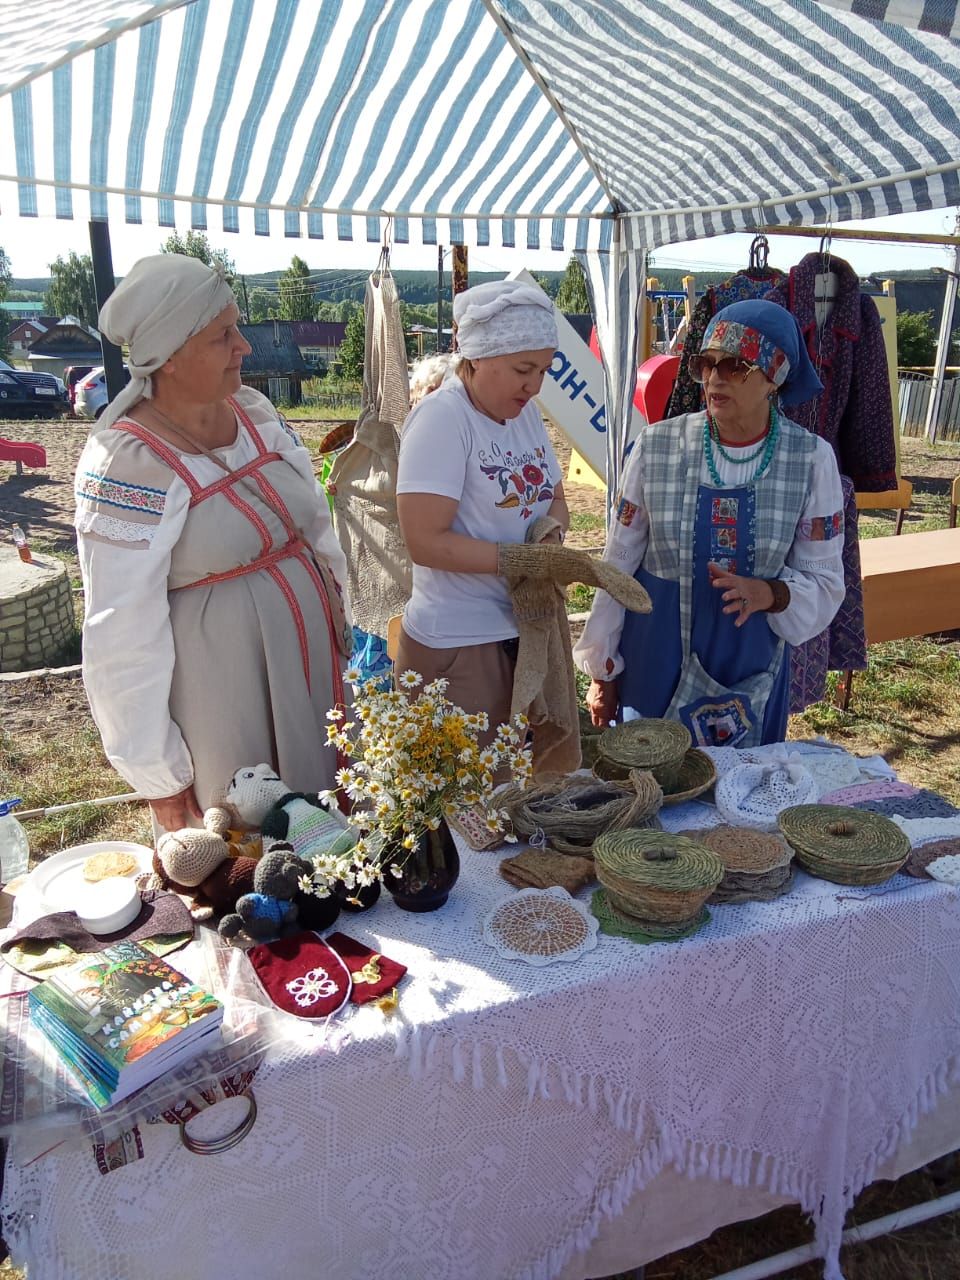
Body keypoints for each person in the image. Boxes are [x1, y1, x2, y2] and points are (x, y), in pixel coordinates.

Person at [75, 255, 353, 833]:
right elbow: (121, 632)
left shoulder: (255, 416)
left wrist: (342, 620)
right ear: (168, 357)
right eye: (221, 335)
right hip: (224, 689)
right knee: (249, 848)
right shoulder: (130, 462)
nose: (243, 346)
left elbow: (315, 533)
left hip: (310, 669)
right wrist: (160, 776)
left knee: (329, 832)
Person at [575, 299, 846, 748]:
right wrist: (602, 667)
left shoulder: (811, 460)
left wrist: (771, 593)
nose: (716, 378)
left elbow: (823, 578)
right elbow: (619, 558)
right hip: (654, 654)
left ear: (774, 378)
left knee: (737, 805)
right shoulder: (657, 446)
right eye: (706, 364)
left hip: (749, 657)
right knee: (650, 790)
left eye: (736, 366)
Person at [395, 279, 568, 735]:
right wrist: (516, 559)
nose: (534, 386)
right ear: (478, 357)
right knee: (469, 798)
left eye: (544, 371)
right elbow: (424, 541)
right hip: (459, 644)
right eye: (523, 369)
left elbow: (553, 493)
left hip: (521, 631)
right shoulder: (442, 419)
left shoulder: (523, 412)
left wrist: (550, 533)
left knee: (517, 786)